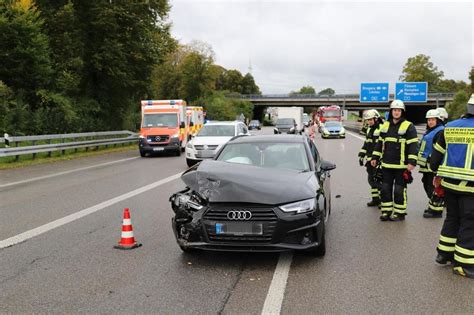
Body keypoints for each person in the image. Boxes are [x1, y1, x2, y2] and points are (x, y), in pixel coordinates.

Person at [429, 94, 474, 278]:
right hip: (471, 187)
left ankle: (444, 254)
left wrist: (437, 175)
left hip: (449, 185)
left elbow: (435, 159)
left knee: (452, 218)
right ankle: (464, 264)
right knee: (469, 224)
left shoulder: (449, 127)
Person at [371, 100, 418, 221]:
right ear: (391, 111)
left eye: (398, 110)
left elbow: (413, 145)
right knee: (385, 189)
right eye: (394, 110)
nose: (396, 112)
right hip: (386, 165)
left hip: (401, 166)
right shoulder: (385, 126)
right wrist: (375, 157)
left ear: (402, 112)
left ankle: (399, 212)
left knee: (399, 190)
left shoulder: (409, 126)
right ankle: (386, 211)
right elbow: (380, 143)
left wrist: (412, 162)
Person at [418, 109, 445, 218]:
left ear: (438, 120)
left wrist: (437, 166)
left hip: (433, 165)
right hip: (427, 165)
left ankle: (436, 210)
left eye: (433, 119)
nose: (430, 122)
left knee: (433, 187)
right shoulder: (430, 131)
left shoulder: (440, 132)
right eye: (429, 120)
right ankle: (433, 206)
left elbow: (440, 151)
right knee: (428, 185)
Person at [358, 109, 383, 207]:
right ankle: (376, 199)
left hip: (379, 158)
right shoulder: (369, 129)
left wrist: (379, 157)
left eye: (371, 120)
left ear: (376, 119)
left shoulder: (382, 128)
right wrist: (361, 155)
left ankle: (384, 199)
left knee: (378, 180)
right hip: (369, 158)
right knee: (371, 179)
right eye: (368, 120)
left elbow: (383, 144)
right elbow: (367, 143)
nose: (369, 122)